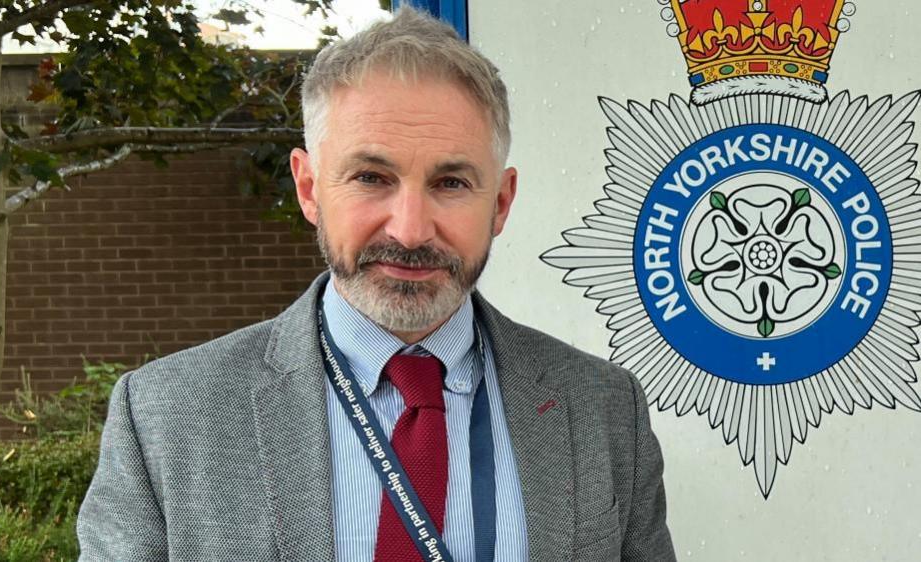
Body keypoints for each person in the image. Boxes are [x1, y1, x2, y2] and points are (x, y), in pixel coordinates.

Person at [77, 6, 676, 562]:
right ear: (309, 188)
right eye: (371, 176)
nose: (411, 230)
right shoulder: (165, 418)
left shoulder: (603, 409)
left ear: (500, 202)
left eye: (451, 183)